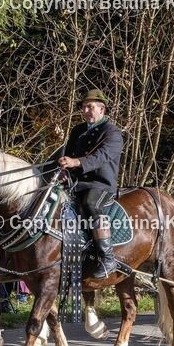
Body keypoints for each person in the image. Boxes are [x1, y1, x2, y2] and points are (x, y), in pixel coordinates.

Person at [53, 88, 124, 279]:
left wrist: (76, 162)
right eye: (84, 107)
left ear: (102, 109)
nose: (86, 111)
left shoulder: (112, 133)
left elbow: (101, 157)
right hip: (75, 183)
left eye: (90, 107)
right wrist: (63, 170)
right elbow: (67, 155)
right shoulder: (77, 130)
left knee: (90, 203)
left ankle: (108, 258)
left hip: (100, 184)